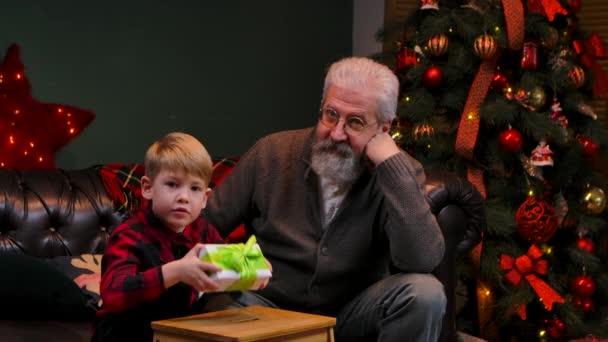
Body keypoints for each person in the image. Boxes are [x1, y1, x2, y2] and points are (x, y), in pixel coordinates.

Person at [202, 57, 447, 341]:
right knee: (219, 303)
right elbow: (204, 227)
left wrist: (392, 169)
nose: (337, 133)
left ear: (383, 127)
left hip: (350, 315)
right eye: (331, 114)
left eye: (355, 122)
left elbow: (422, 260)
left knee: (425, 293)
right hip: (267, 306)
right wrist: (240, 266)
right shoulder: (271, 153)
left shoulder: (400, 172)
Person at [92, 132, 225, 342]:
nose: (184, 197)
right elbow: (113, 293)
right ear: (147, 188)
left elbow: (224, 266)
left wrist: (251, 267)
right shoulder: (130, 235)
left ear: (205, 198)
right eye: (172, 184)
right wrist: (176, 271)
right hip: (125, 333)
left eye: (195, 188)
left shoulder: (204, 232)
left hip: (173, 331)